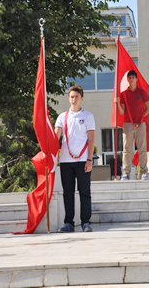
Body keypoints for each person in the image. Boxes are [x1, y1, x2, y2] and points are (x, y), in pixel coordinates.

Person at [55, 85, 95, 232]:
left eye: (76, 97)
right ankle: (69, 223)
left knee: (84, 192)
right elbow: (55, 138)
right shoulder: (62, 117)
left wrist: (89, 160)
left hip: (83, 161)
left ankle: (85, 222)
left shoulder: (88, 116)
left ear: (82, 98)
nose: (74, 99)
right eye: (71, 96)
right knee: (68, 193)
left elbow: (91, 139)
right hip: (66, 161)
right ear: (68, 98)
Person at [114, 70, 149, 180]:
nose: (131, 79)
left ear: (136, 79)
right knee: (127, 149)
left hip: (140, 124)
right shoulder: (124, 94)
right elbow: (122, 112)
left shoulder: (142, 92)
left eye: (133, 77)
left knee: (142, 149)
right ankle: (126, 173)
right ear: (127, 79)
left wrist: (141, 118)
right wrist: (117, 103)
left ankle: (144, 172)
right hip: (128, 124)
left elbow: (148, 109)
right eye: (129, 78)